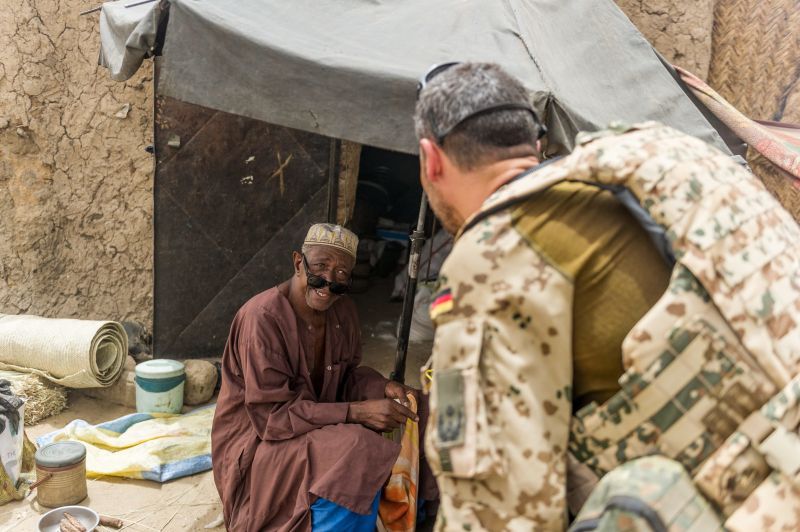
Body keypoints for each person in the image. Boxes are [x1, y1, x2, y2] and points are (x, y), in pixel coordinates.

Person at [414, 63, 674, 529]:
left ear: (431, 160)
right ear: (535, 146)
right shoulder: (622, 187)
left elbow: (495, 502)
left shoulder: (492, 257)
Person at [211, 223, 421, 532]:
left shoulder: (343, 310)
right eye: (321, 267)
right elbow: (272, 419)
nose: (329, 283)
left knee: (416, 408)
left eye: (341, 275)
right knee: (356, 447)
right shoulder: (262, 319)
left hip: (307, 424)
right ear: (299, 263)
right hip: (259, 442)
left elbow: (347, 376)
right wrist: (356, 412)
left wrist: (383, 387)